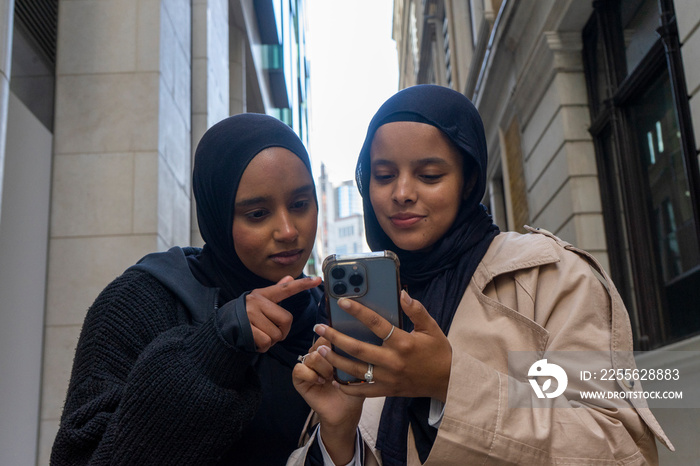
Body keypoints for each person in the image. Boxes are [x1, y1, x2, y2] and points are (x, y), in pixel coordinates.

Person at [291, 85, 674, 465]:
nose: (402, 192)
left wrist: (450, 382)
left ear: (468, 180)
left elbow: (619, 450)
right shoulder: (366, 307)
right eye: (384, 175)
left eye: (429, 174)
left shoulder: (547, 277)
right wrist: (339, 440)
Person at [51, 113, 323, 465]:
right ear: (216, 215)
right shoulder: (143, 301)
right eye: (257, 213)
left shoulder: (325, 316)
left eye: (300, 204)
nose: (287, 230)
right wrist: (215, 350)